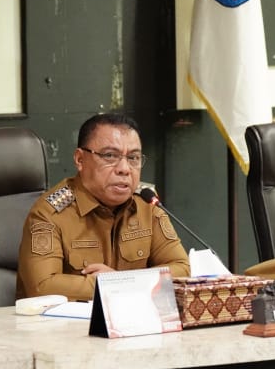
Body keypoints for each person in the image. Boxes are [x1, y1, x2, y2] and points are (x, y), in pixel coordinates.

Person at [16, 113, 190, 301]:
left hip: (134, 322)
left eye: (133, 158)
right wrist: (120, 286)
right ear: (80, 160)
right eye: (109, 156)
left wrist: (118, 282)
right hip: (68, 327)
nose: (124, 168)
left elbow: (182, 269)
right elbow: (42, 287)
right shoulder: (49, 214)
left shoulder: (147, 204)